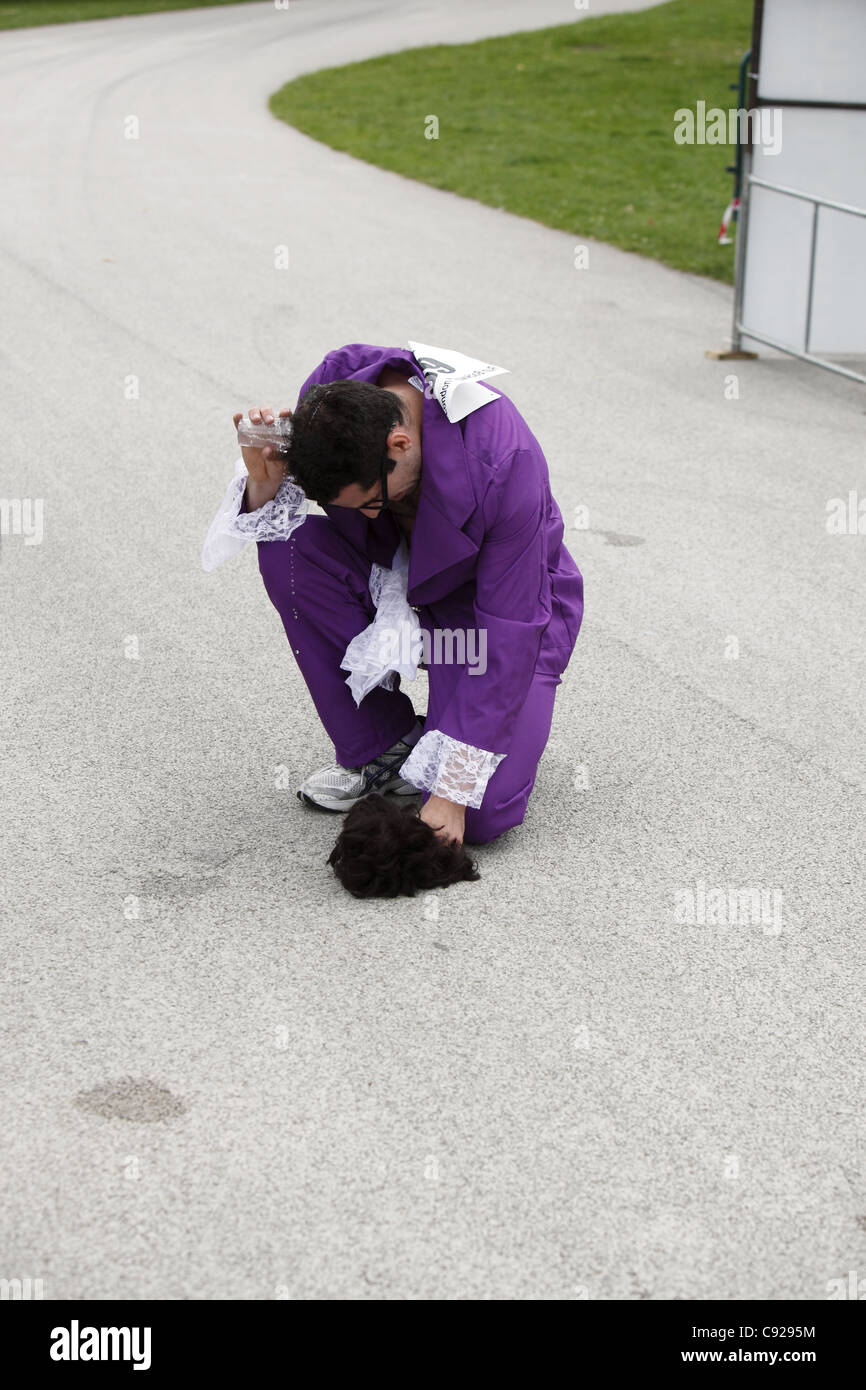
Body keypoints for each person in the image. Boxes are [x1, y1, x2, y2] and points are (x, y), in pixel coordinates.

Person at [202, 342, 583, 896]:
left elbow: (509, 628)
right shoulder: (332, 394)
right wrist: (265, 482)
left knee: (481, 815)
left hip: (480, 623)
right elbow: (297, 513)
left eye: (371, 504)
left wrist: (450, 796)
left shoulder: (504, 458)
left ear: (399, 444)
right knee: (288, 550)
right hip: (396, 583)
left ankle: (447, 748)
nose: (361, 515)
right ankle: (385, 745)